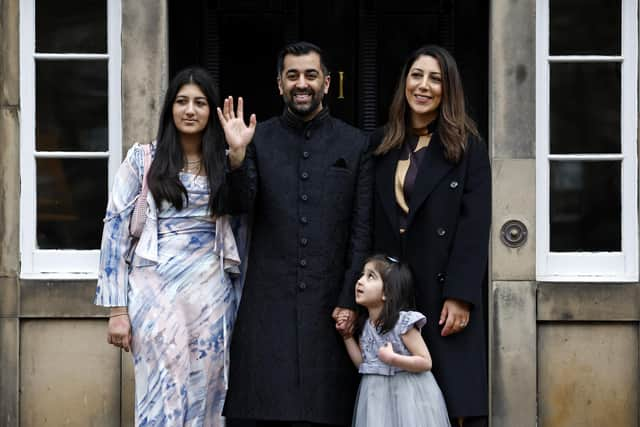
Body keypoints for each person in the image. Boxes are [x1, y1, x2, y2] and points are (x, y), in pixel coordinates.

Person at [218, 41, 372, 426]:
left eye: (310, 75)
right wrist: (236, 157)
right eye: (292, 76)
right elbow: (238, 205)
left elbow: (362, 228)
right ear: (279, 84)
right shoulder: (259, 140)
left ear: (326, 82)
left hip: (331, 311)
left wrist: (349, 300)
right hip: (266, 310)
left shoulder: (356, 144)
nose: (301, 83)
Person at [95, 67, 254, 426]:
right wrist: (117, 311)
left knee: (209, 391)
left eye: (199, 103)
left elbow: (244, 232)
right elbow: (115, 231)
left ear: (211, 111)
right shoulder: (143, 159)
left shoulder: (225, 164)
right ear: (170, 108)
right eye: (182, 101)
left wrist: (238, 156)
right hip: (155, 292)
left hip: (212, 294)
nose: (190, 110)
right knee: (160, 391)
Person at [369, 45, 491, 426]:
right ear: (405, 82)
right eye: (416, 75)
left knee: (450, 405)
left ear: (447, 89)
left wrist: (461, 295)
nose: (423, 86)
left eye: (435, 78)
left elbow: (475, 225)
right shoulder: (379, 145)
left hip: (443, 297)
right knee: (395, 407)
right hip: (397, 296)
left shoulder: (467, 147)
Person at [338, 254, 451, 427]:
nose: (360, 281)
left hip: (407, 395)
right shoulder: (367, 326)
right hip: (376, 396)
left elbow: (425, 361)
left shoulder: (403, 324)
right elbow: (364, 364)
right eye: (362, 275)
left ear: (387, 292)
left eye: (370, 277)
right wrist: (347, 337)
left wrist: (393, 359)